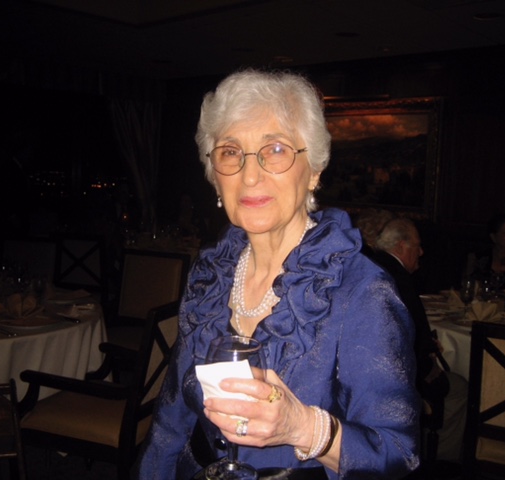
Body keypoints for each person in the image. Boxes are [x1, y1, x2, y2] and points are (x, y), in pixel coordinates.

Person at [134, 69, 420, 479]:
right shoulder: (211, 276)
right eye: (230, 151)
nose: (250, 175)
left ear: (314, 170)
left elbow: (397, 454)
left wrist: (303, 428)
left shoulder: (361, 291)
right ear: (214, 175)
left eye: (276, 149)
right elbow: (170, 422)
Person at [373, 218, 467, 464]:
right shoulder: (398, 280)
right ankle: (441, 461)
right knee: (459, 388)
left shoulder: (372, 267)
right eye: (417, 245)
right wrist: (428, 367)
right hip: (395, 379)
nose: (422, 252)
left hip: (374, 372)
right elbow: (405, 340)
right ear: (401, 246)